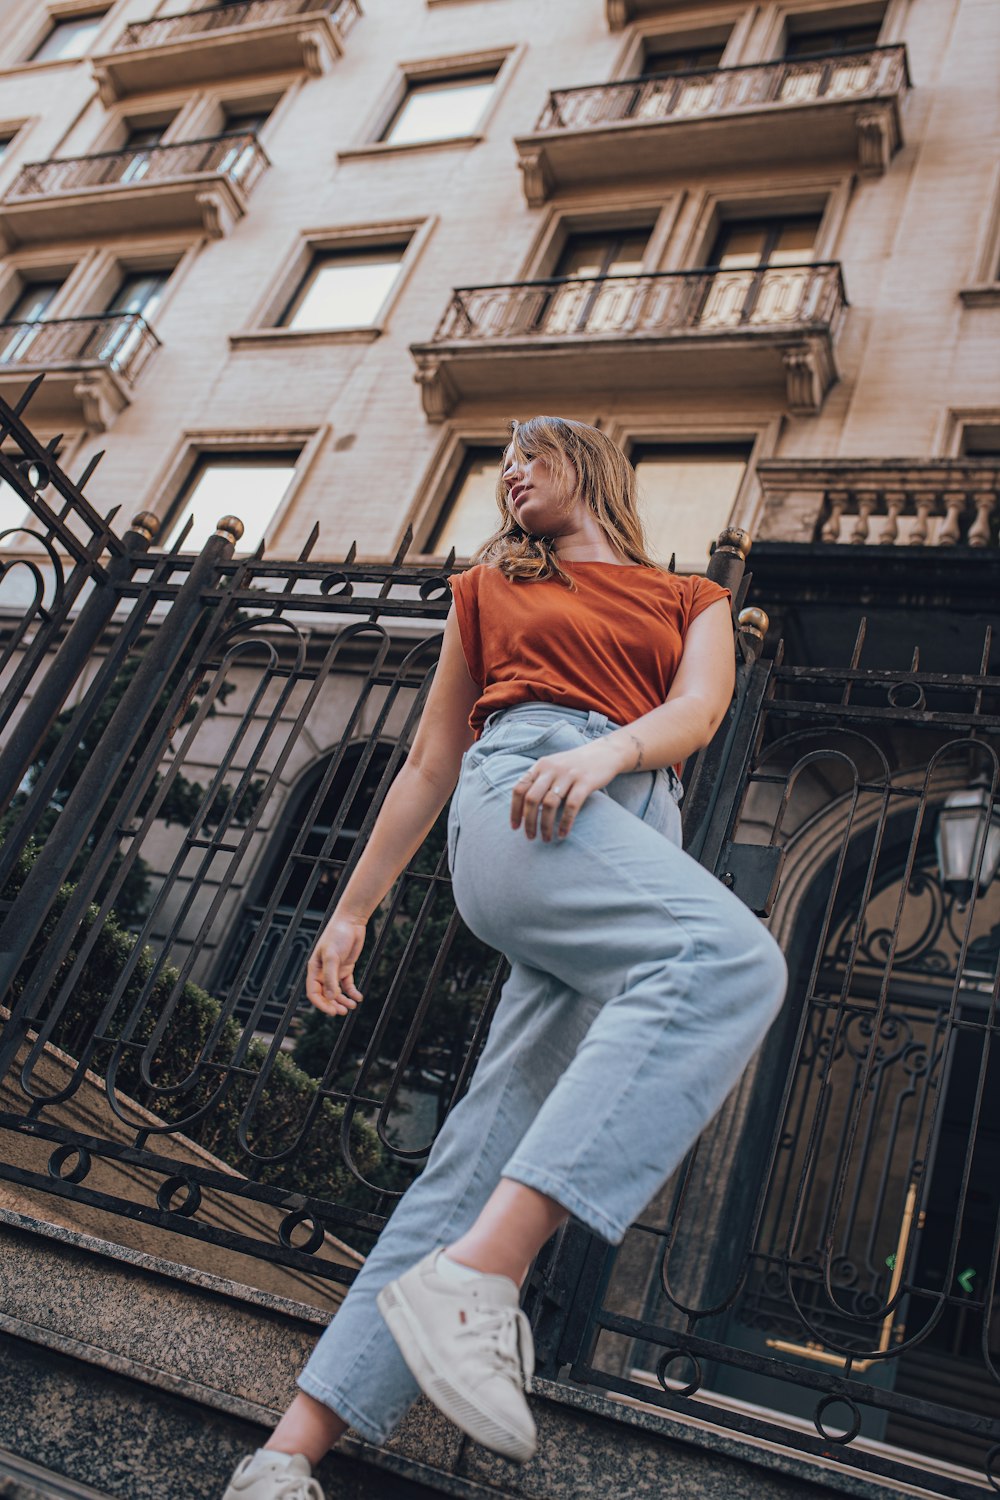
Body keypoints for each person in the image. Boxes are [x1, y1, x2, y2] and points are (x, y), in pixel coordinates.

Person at [222, 415, 788, 1500]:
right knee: (733, 964)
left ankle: (285, 1453)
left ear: (591, 466)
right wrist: (351, 910)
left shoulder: (691, 599)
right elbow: (432, 759)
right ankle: (484, 1277)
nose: (512, 475)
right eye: (501, 467)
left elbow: (700, 709)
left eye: (532, 454)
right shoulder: (485, 590)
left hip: (631, 820)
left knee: (486, 1149)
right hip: (525, 799)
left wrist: (614, 751)